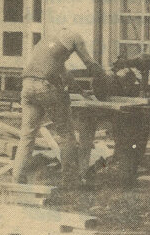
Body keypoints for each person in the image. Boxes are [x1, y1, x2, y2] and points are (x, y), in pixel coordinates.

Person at [14, 29, 107, 190]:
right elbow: (90, 64)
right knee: (66, 135)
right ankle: (71, 181)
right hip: (46, 86)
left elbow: (64, 72)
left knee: (27, 135)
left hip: (27, 86)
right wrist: (105, 78)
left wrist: (80, 91)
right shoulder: (75, 36)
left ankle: (17, 178)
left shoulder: (46, 44)